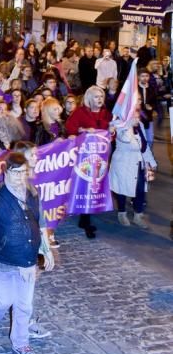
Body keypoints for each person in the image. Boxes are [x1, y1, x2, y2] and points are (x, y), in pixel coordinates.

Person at [0, 152, 54, 354]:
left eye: (23, 173)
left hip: (27, 259)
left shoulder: (32, 192)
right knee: (3, 300)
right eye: (15, 173)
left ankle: (21, 342)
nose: (20, 178)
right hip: (0, 258)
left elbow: (40, 223)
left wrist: (46, 249)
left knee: (24, 304)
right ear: (5, 171)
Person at [65, 85, 112, 239]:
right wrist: (82, 130)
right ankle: (85, 220)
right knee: (86, 186)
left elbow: (111, 133)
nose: (100, 99)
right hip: (84, 158)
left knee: (96, 187)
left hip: (101, 157)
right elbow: (70, 129)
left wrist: (112, 131)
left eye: (102, 96)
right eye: (97, 97)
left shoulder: (106, 114)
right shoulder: (80, 112)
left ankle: (89, 215)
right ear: (90, 98)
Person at [109, 108, 157, 229]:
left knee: (140, 190)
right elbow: (125, 139)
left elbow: (144, 146)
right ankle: (122, 213)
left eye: (138, 113)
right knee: (122, 189)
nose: (138, 115)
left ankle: (138, 215)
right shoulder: (118, 124)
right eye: (135, 113)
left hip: (139, 162)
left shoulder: (139, 124)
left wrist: (151, 161)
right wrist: (128, 125)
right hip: (123, 163)